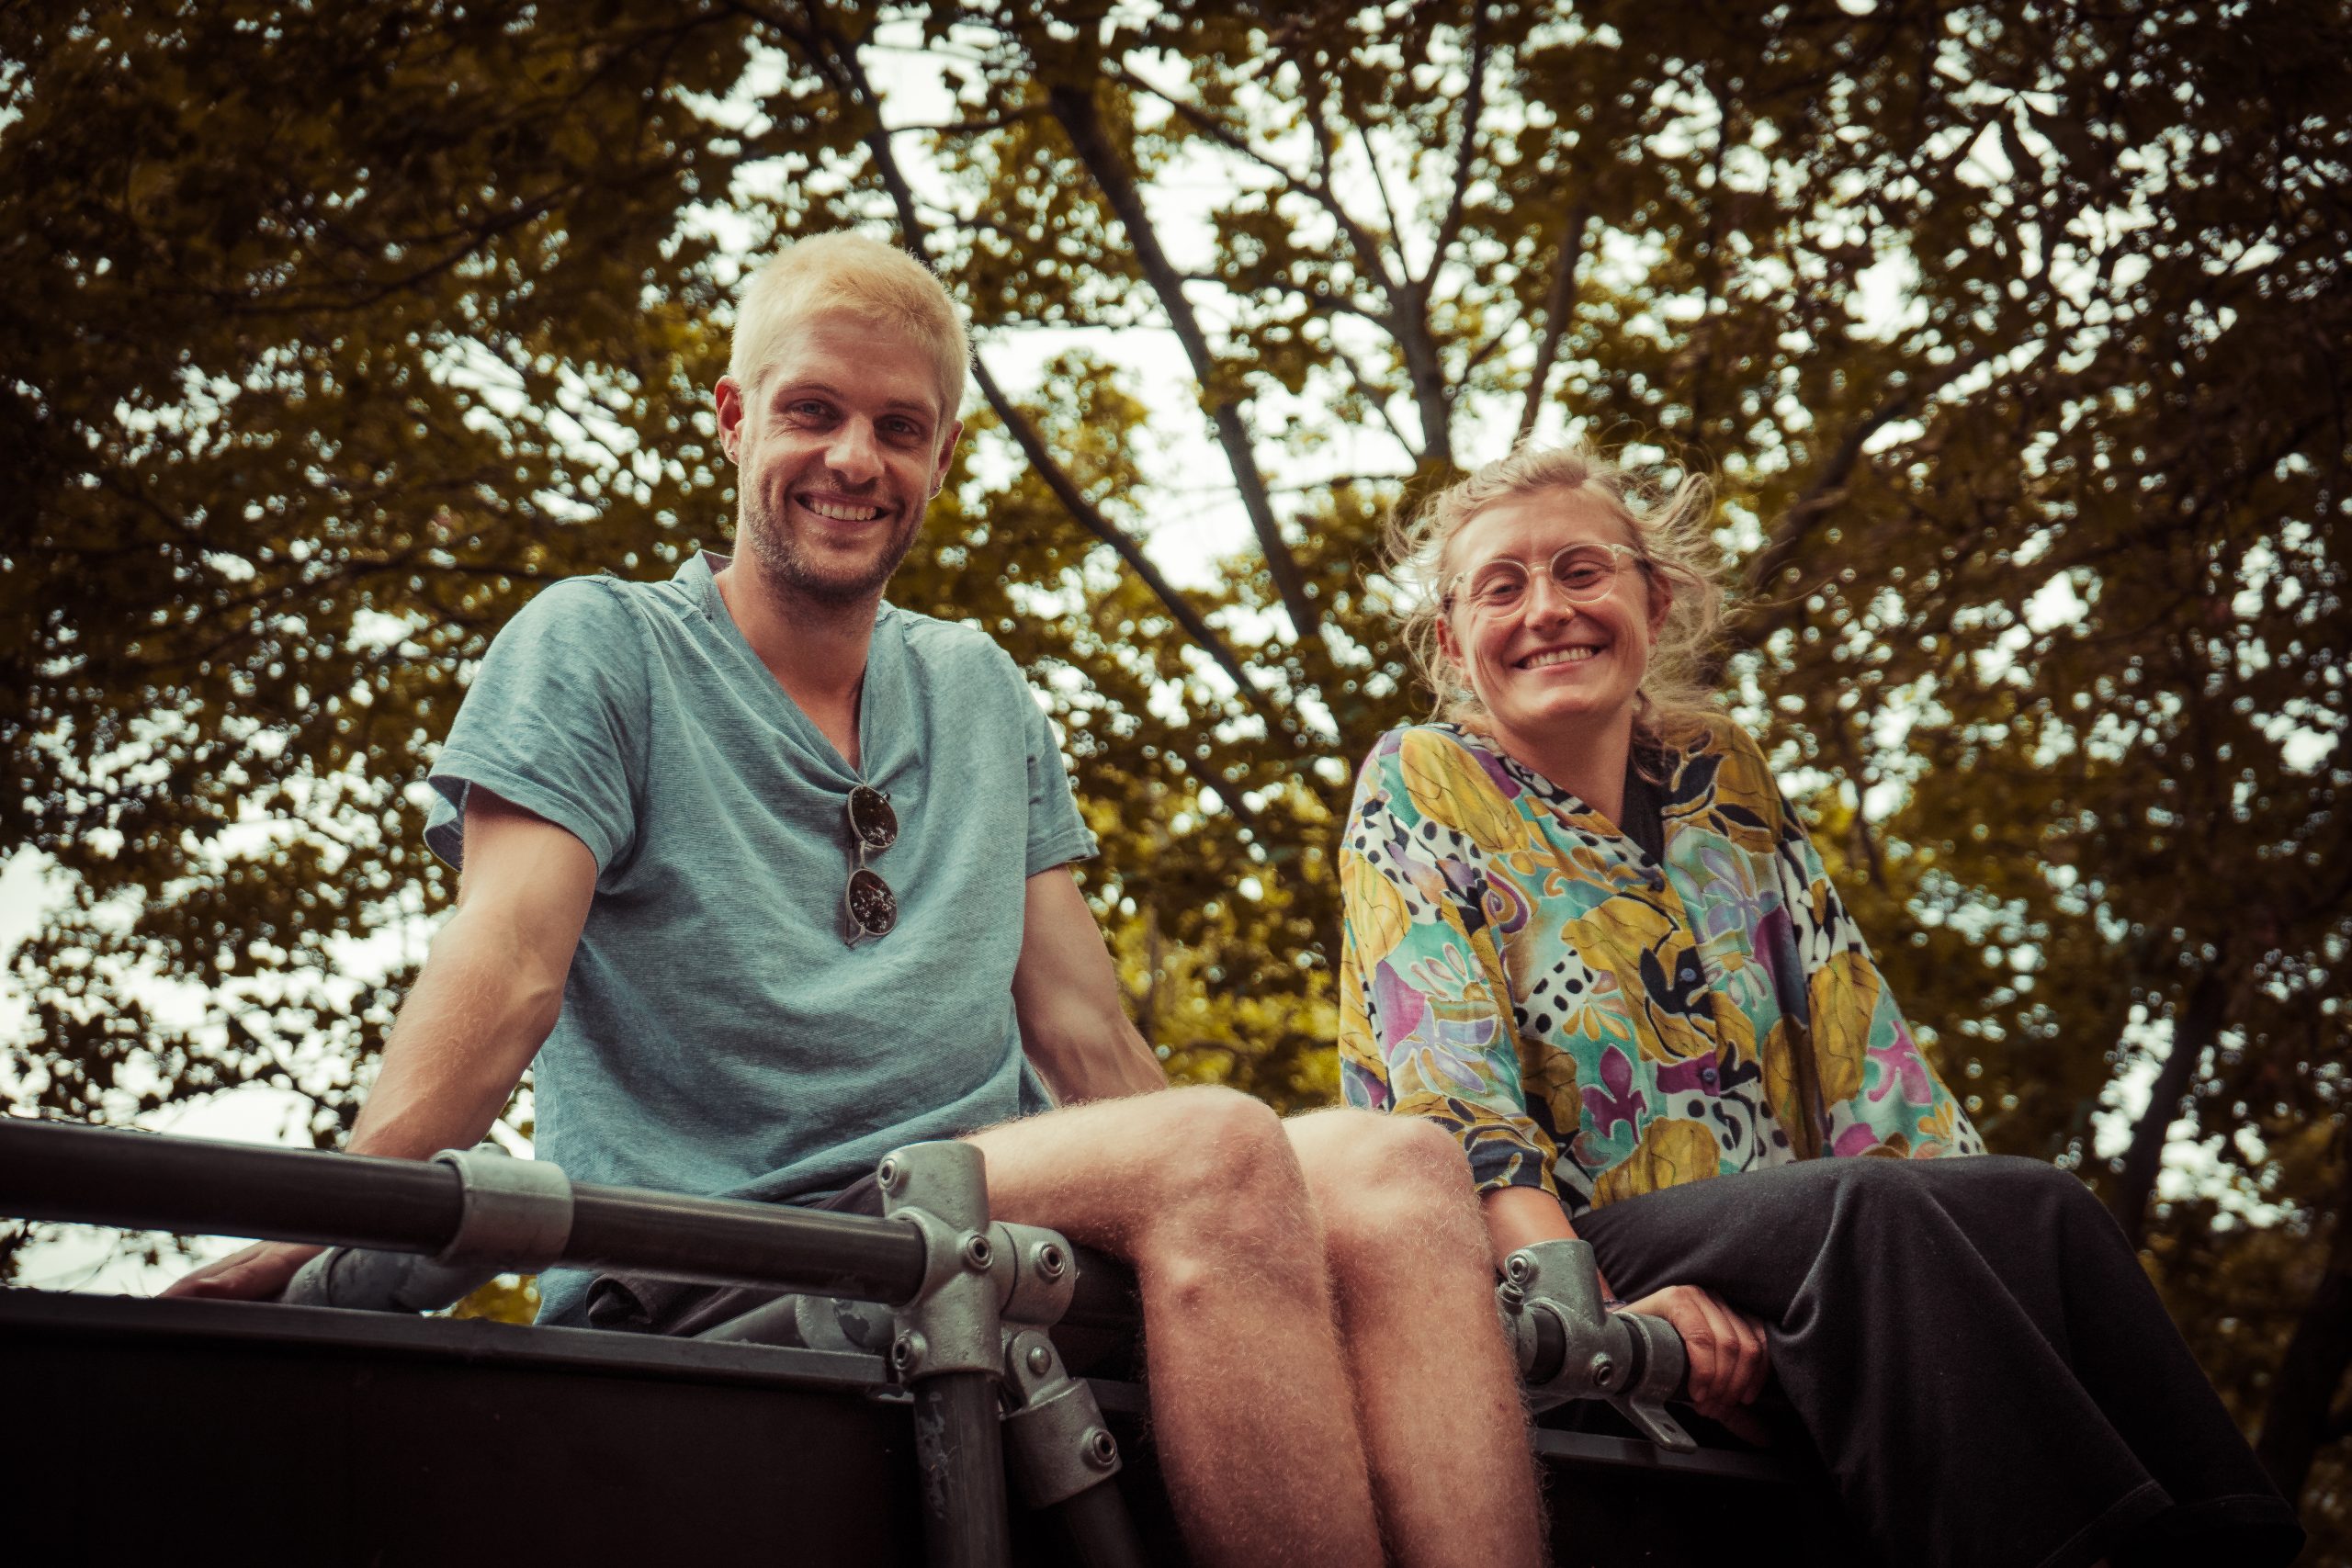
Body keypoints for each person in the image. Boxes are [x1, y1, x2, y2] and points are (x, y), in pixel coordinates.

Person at [164, 231, 1545, 1568]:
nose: (853, 458)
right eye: (812, 410)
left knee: (1398, 1167)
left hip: (990, 1218)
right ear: (732, 418)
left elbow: (1086, 1037)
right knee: (1213, 1150)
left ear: (942, 454)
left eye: (899, 426)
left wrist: (1246, 1212)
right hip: (738, 1240)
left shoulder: (978, 685)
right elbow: (508, 968)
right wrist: (318, 1228)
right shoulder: (600, 644)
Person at [1336, 442, 2304, 1568]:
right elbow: (1454, 1103)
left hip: (1792, 1235)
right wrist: (1588, 1310)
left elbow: (1857, 1042)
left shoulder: (1718, 772)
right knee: (1866, 1215)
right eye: (1501, 587)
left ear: (1654, 597)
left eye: (1581, 570)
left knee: (2042, 1210)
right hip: (1554, 1247)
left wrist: (1976, 1237)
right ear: (1454, 642)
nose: (1547, 609)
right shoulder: (1420, 779)